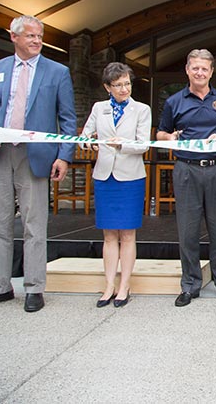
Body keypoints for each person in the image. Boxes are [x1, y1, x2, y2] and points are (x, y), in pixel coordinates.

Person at [0, 15, 76, 313]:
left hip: (36, 155)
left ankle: (34, 288)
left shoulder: (58, 72)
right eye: (30, 36)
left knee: (33, 224)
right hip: (0, 154)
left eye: (39, 36)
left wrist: (64, 156)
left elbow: (67, 119)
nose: (37, 41)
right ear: (14, 37)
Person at [156, 49, 216, 307]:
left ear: (211, 71)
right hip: (186, 169)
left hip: (215, 168)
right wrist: (170, 138)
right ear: (187, 70)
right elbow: (160, 134)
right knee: (188, 231)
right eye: (195, 68)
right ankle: (190, 285)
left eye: (205, 68)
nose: (200, 72)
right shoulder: (174, 101)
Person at [80, 63, 151, 308]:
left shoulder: (142, 109)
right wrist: (89, 144)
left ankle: (124, 285)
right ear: (107, 87)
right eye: (118, 85)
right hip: (104, 175)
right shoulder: (99, 108)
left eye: (127, 83)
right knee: (109, 235)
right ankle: (109, 284)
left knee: (128, 234)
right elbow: (84, 137)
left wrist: (122, 144)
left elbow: (143, 145)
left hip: (130, 177)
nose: (124, 89)